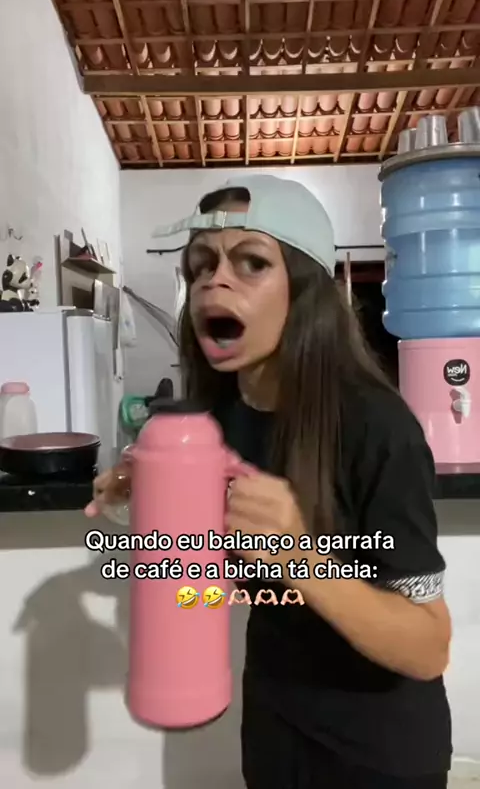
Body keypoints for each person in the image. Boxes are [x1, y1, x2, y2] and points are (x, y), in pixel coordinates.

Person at [86, 175, 452, 789]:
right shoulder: (215, 423)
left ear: (304, 290)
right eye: (201, 266)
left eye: (251, 262)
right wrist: (152, 498)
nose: (214, 281)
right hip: (274, 732)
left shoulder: (377, 427)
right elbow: (222, 583)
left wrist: (300, 559)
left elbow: (428, 646)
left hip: (378, 753)